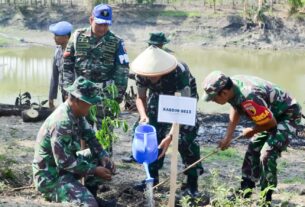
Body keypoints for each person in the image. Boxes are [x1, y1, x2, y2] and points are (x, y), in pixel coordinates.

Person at [202, 71, 302, 206]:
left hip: (287, 116)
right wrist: (228, 136)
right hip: (269, 115)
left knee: (267, 153)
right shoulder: (231, 86)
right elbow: (236, 107)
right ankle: (245, 191)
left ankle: (265, 198)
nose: (213, 101)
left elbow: (271, 123)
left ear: (224, 93)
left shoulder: (249, 97)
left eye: (214, 98)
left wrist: (253, 130)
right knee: (253, 147)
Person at [130, 46, 203, 196]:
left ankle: (192, 183)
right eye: (149, 75)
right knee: (152, 136)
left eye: (155, 75)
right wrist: (144, 116)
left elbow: (183, 107)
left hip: (183, 100)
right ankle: (152, 179)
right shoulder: (141, 73)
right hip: (158, 97)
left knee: (184, 139)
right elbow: (141, 98)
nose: (151, 78)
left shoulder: (179, 71)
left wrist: (170, 136)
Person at [32, 76, 116, 207]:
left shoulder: (77, 114)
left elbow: (91, 137)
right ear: (77, 101)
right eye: (89, 103)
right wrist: (94, 170)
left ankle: (91, 194)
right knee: (89, 205)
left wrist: (103, 155)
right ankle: (86, 198)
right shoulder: (62, 122)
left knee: (101, 159)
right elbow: (64, 162)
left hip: (65, 169)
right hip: (51, 177)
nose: (91, 106)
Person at [63, 4, 129, 129]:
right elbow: (67, 66)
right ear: (91, 20)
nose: (103, 28)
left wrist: (117, 97)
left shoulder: (117, 42)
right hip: (80, 95)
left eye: (106, 24)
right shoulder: (78, 37)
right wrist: (67, 91)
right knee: (80, 133)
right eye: (99, 24)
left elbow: (123, 72)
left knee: (105, 136)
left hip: (105, 96)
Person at [48, 21, 73, 108]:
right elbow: (54, 76)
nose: (54, 38)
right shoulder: (58, 51)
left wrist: (71, 94)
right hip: (64, 93)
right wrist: (51, 97)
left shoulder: (75, 52)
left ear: (66, 37)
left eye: (56, 35)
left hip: (75, 95)